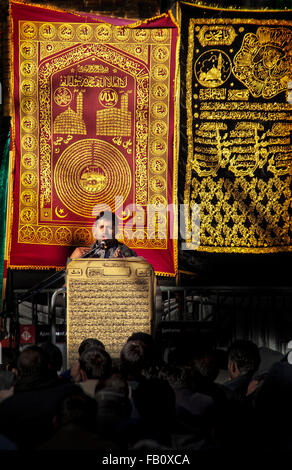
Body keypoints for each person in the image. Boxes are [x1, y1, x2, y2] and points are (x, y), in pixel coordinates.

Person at [70, 210, 137, 259]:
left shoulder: (128, 253)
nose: (105, 231)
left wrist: (125, 266)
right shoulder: (84, 253)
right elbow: (67, 277)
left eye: (110, 228)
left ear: (116, 231)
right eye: (101, 227)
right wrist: (72, 260)